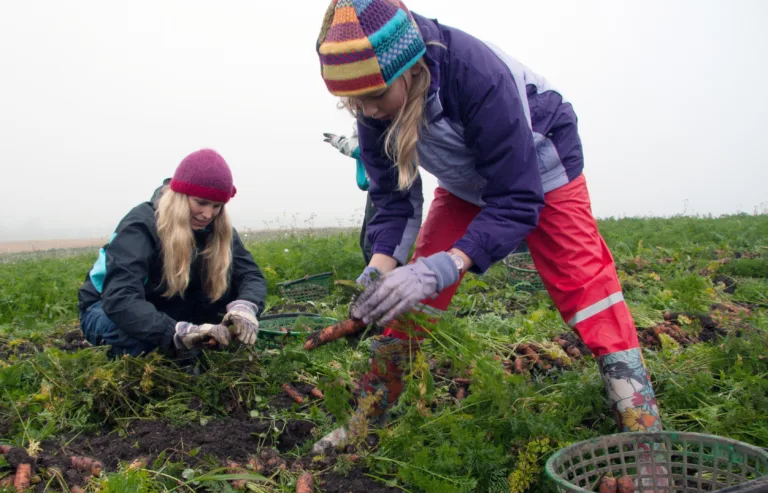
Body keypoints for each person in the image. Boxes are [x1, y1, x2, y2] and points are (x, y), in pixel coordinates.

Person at [312, 0, 662, 451]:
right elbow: (393, 200)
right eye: (353, 102)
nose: (368, 111)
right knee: (410, 298)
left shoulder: (476, 75)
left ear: (411, 69)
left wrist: (453, 262)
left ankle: (645, 435)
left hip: (540, 168)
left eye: (376, 96)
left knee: (587, 290)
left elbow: (517, 197)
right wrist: (379, 269)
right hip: (465, 182)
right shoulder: (372, 107)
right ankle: (365, 419)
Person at [77, 149, 266, 358]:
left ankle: (181, 335)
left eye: (217, 206)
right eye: (201, 202)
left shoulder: (218, 228)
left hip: (170, 305)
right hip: (107, 308)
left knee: (227, 328)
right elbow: (121, 298)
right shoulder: (141, 225)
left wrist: (245, 307)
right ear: (181, 196)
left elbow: (250, 275)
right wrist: (176, 332)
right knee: (148, 347)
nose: (207, 214)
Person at [323, 123, 422, 266]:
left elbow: (358, 149)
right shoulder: (372, 129)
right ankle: (379, 273)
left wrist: (338, 141)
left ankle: (382, 275)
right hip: (378, 189)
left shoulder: (375, 131)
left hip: (386, 188)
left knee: (373, 243)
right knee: (368, 241)